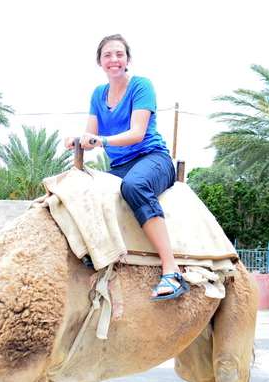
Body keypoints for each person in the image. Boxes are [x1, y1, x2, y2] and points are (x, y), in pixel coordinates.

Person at [65, 34, 185, 300]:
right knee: (83, 190)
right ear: (100, 62)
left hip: (152, 159)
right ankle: (97, 258)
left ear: (127, 59)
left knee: (135, 186)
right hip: (120, 165)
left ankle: (172, 270)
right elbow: (90, 134)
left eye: (119, 54)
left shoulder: (142, 86)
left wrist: (102, 140)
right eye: (107, 55)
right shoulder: (98, 94)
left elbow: (137, 133)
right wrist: (76, 140)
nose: (114, 60)